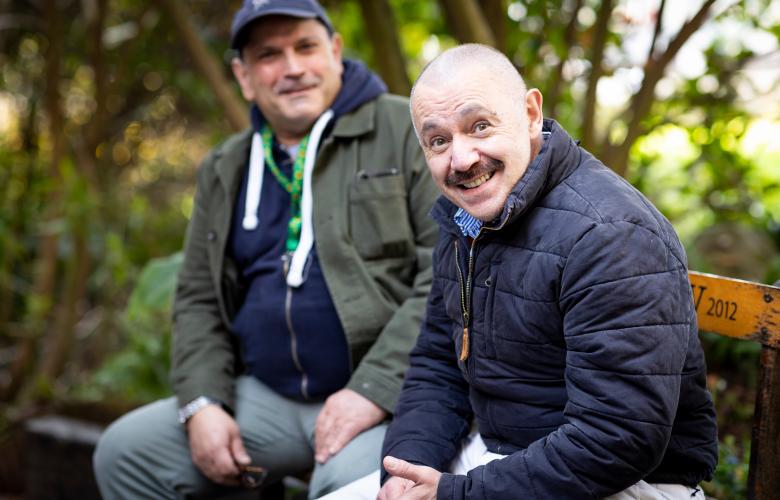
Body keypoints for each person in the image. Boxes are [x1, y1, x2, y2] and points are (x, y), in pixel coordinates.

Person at [326, 43, 718, 500]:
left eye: (480, 126)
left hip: (625, 484)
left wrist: (455, 494)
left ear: (531, 114)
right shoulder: (464, 222)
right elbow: (437, 365)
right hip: (498, 460)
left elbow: (617, 439)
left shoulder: (613, 236)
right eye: (438, 140)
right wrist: (409, 472)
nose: (462, 158)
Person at [92, 1, 439, 498]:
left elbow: (444, 278)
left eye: (306, 47)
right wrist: (203, 403)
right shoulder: (225, 166)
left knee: (348, 486)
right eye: (269, 55)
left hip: (388, 394)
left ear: (335, 51)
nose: (293, 68)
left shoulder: (404, 129)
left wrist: (374, 389)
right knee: (126, 454)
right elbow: (197, 298)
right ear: (244, 75)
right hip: (265, 398)